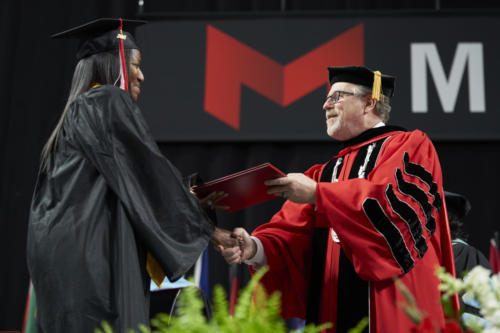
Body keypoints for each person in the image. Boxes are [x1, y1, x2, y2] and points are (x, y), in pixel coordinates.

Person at [27, 18, 233, 333]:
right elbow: (144, 172)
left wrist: (186, 200)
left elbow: (128, 180)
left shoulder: (75, 114)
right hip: (94, 259)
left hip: (64, 260)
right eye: (135, 64)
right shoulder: (105, 100)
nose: (141, 74)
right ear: (114, 64)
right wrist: (206, 229)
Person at [219, 66, 458, 332]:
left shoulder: (409, 146)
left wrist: (317, 194)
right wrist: (253, 247)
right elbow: (289, 236)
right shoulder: (324, 173)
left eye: (336, 97)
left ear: (369, 102)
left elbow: (392, 213)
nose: (325, 106)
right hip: (331, 315)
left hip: (393, 309)